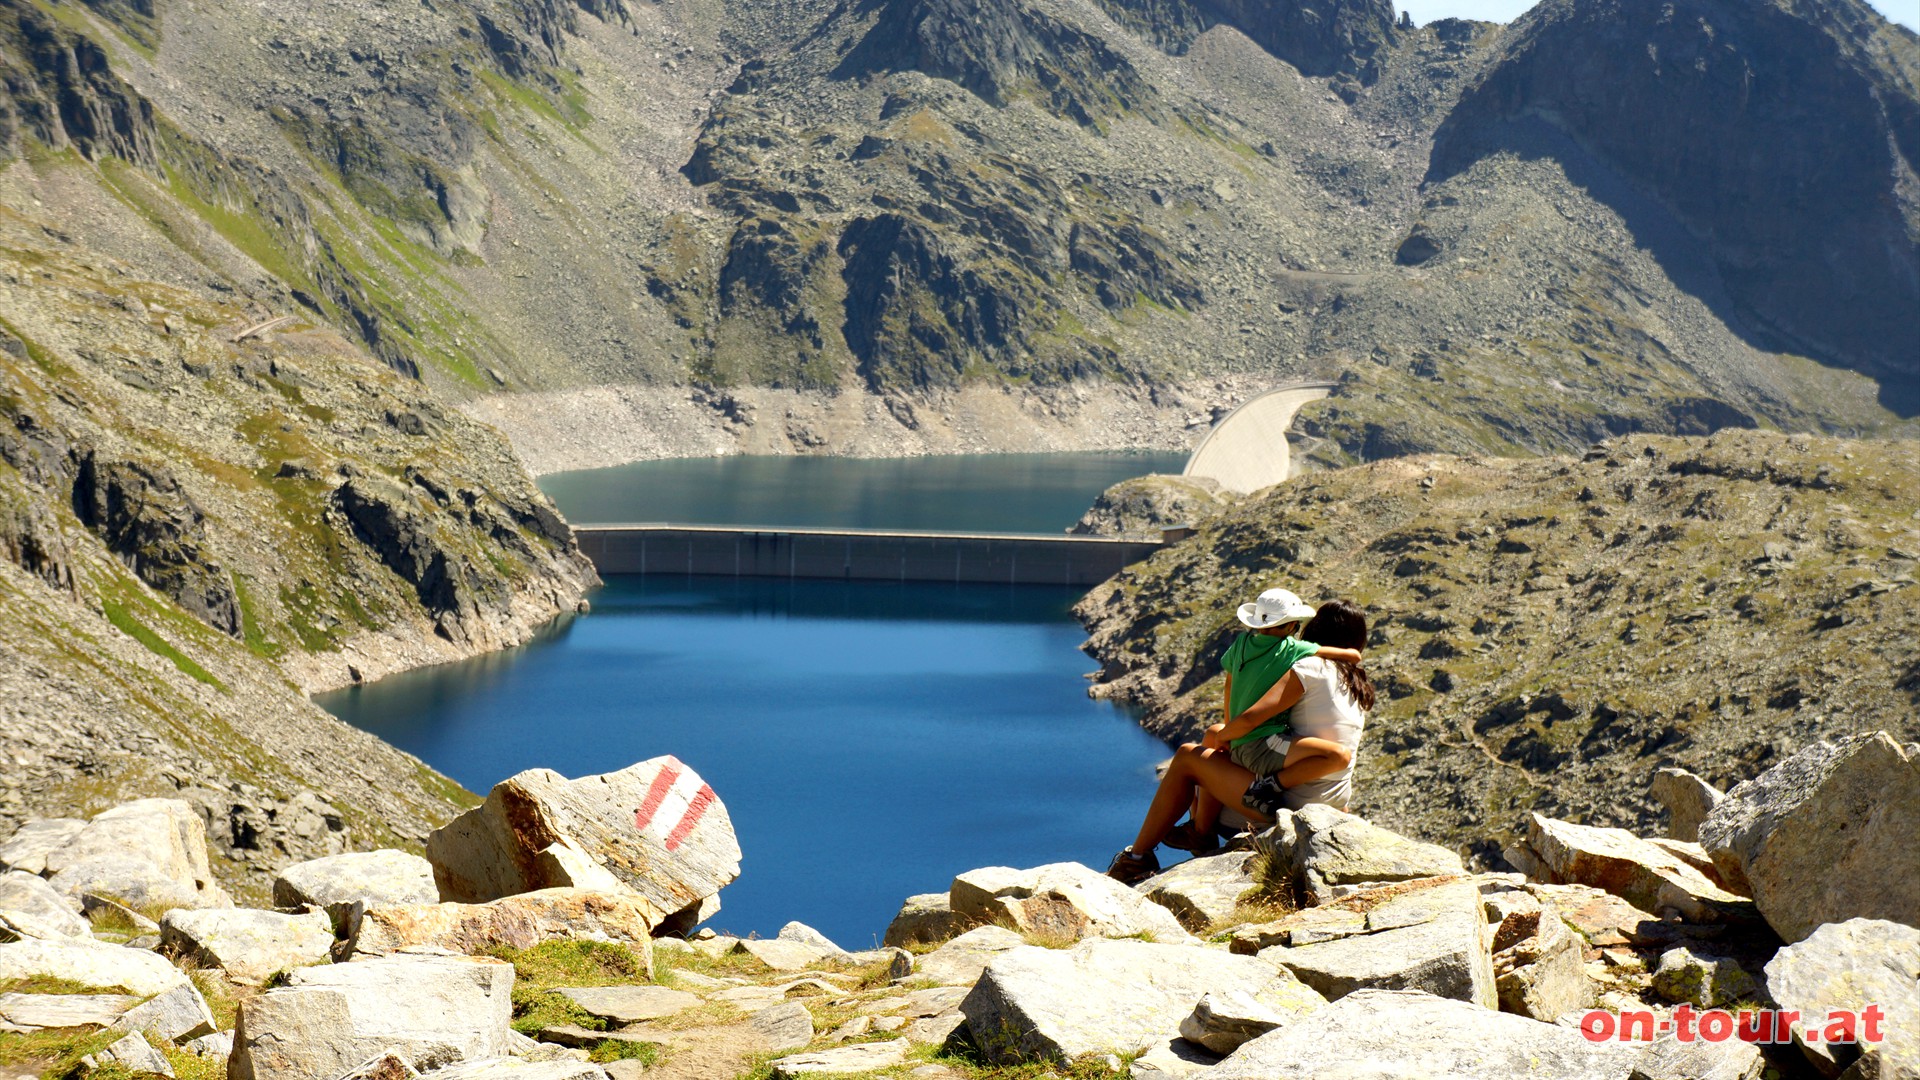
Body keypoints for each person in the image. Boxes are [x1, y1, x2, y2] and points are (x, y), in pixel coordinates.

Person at [1106, 598, 1376, 885]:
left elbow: (1252, 718)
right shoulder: (1357, 684)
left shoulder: (1308, 667)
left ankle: (1138, 857)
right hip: (1331, 802)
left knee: (1188, 756)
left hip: (1286, 804)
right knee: (1215, 736)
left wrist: (1222, 737)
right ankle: (1198, 833)